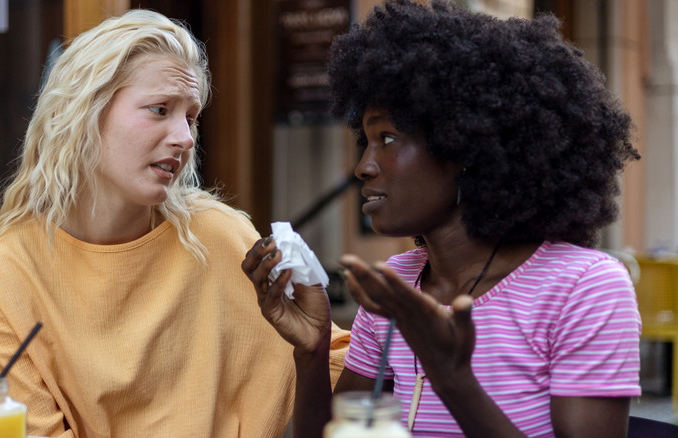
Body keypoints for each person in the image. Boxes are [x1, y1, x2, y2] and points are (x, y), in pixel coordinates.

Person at [242, 1, 642, 437]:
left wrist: (452, 377)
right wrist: (314, 349)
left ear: (464, 150)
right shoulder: (398, 281)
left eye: (389, 139)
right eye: (366, 141)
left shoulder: (584, 287)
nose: (364, 167)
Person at [0, 9, 348, 438]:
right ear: (83, 112)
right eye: (160, 109)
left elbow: (350, 387)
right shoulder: (3, 267)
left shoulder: (220, 236)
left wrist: (315, 346)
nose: (184, 137)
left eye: (190, 117)